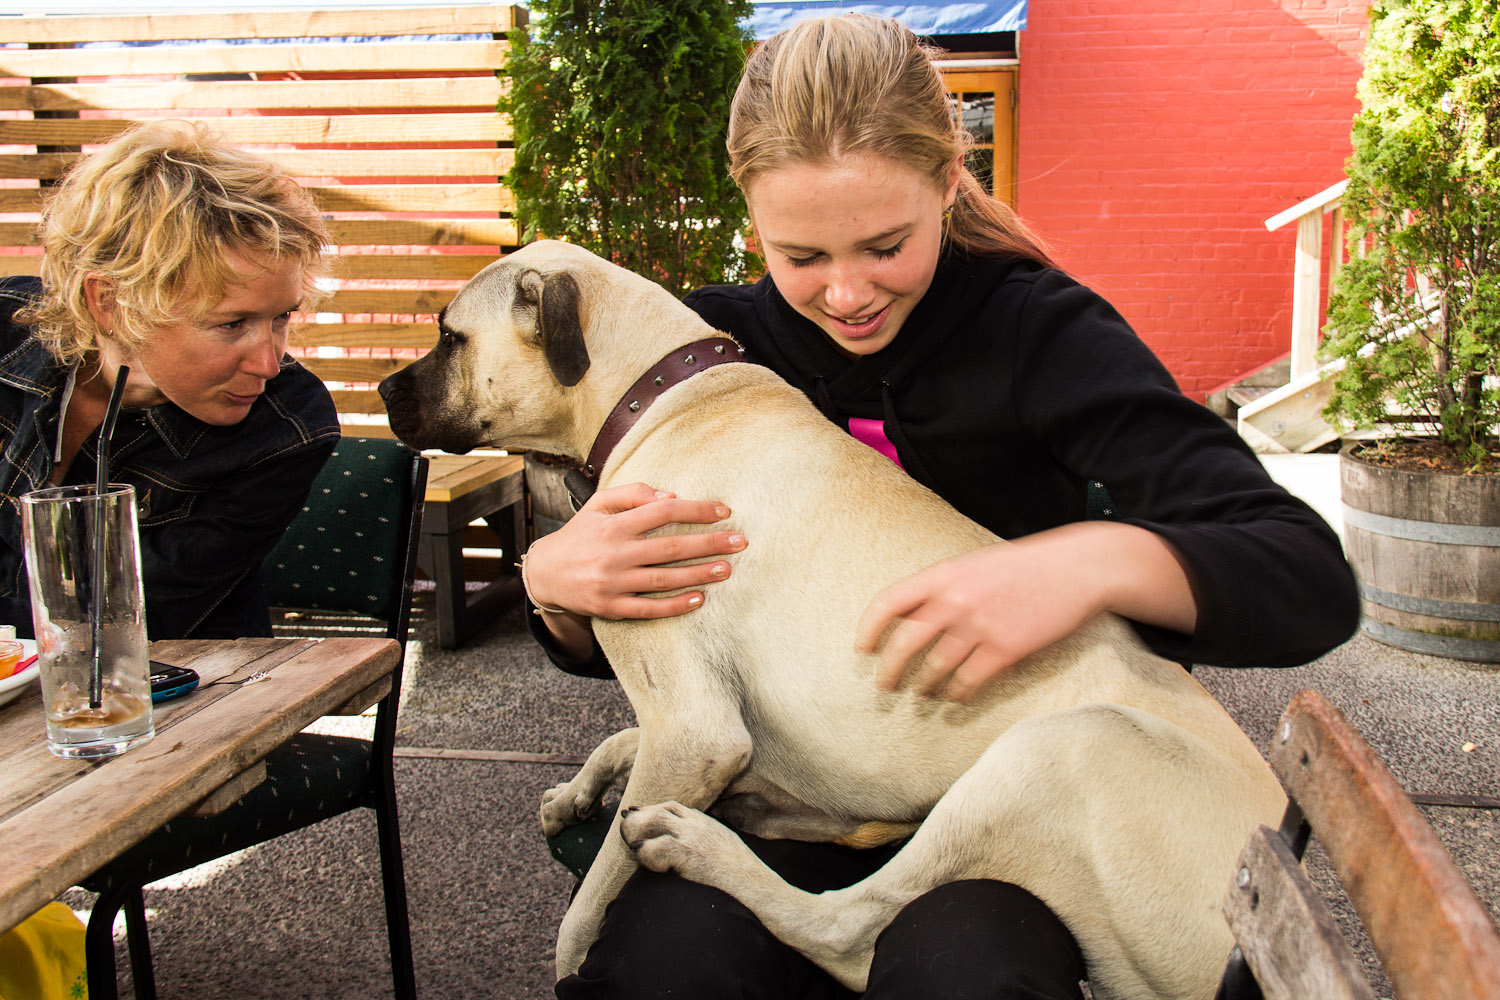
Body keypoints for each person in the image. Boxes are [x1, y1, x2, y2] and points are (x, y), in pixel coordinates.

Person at [521, 14, 1360, 999]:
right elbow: (658, 644)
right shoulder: (712, 354)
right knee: (662, 971)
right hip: (785, 798)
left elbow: (1306, 576)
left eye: (887, 245)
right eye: (801, 255)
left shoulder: (1038, 331)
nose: (846, 293)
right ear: (749, 214)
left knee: (963, 977)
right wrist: (557, 587)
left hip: (1001, 830)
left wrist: (1088, 561)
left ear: (951, 178)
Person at [0, 120, 340, 641]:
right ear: (110, 303)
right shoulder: (7, 329)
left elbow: (117, 627)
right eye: (232, 324)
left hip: (182, 681)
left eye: (281, 317)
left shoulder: (286, 427)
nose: (268, 364)